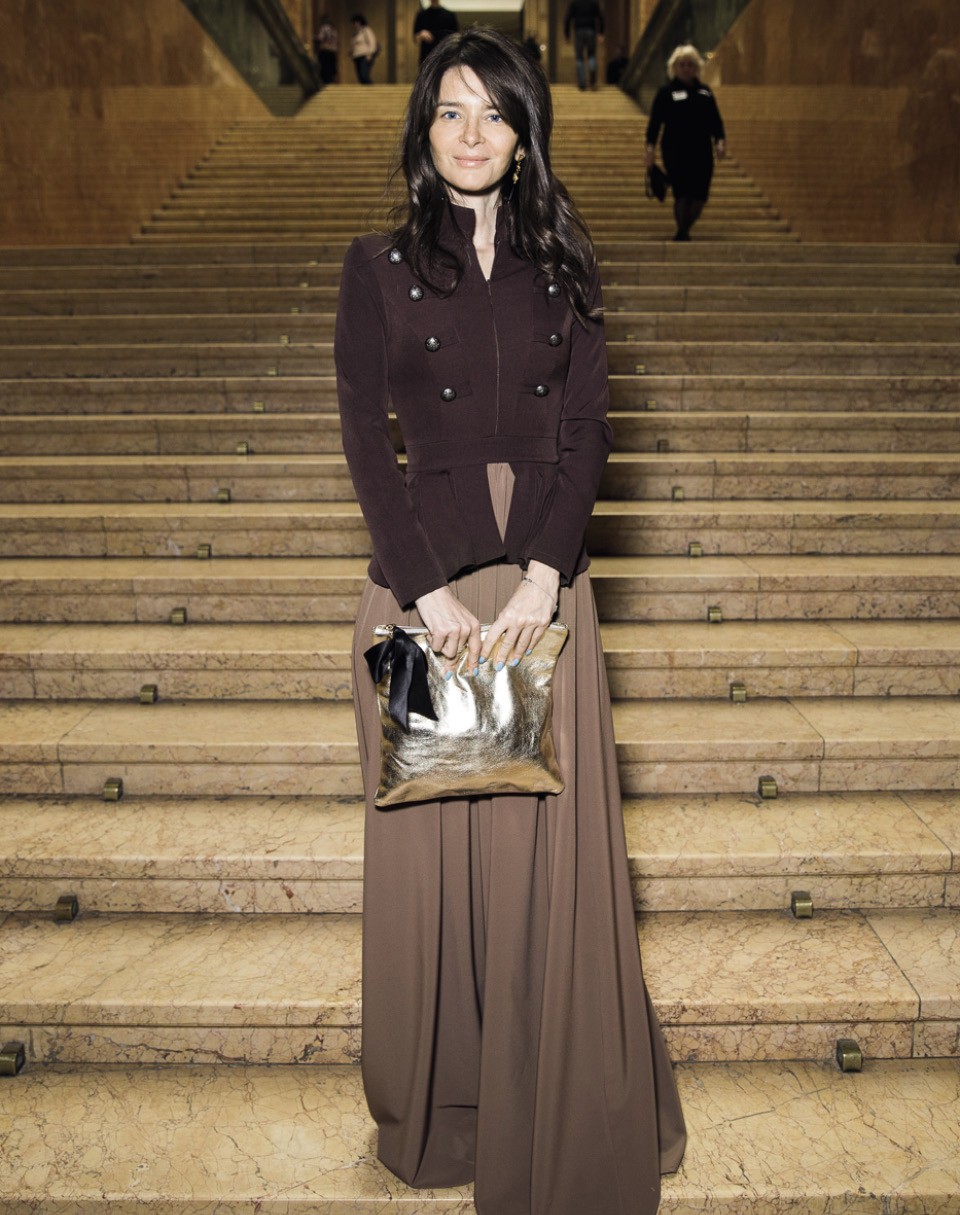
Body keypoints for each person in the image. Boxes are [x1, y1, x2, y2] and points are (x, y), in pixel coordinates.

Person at [335, 27, 686, 1215]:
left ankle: (557, 1113)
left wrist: (543, 581)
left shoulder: (567, 265)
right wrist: (426, 591)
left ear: (526, 132)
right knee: (436, 877)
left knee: (545, 870)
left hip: (540, 594)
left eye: (493, 111)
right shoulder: (377, 266)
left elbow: (587, 430)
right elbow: (363, 439)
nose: (471, 132)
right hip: (427, 594)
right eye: (450, 110)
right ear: (423, 131)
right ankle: (450, 1116)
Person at [645, 44, 726, 241]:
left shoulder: (705, 92)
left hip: (702, 150)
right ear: (674, 67)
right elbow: (655, 123)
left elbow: (715, 121)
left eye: (690, 64)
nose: (686, 69)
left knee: (700, 194)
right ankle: (682, 231)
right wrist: (649, 148)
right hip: (675, 150)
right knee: (681, 190)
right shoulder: (665, 93)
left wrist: (720, 141)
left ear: (696, 67)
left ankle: (685, 227)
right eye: (682, 65)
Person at [563, 0, 604, 90]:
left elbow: (568, 18)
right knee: (592, 55)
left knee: (579, 57)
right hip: (591, 30)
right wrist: (601, 33)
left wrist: (567, 35)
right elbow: (600, 17)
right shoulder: (593, 2)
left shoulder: (575, 3)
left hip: (579, 31)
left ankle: (582, 83)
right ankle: (592, 82)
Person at [413, 0, 459, 66]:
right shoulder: (421, 15)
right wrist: (421, 34)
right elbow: (415, 38)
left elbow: (456, 36)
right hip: (426, 57)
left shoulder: (450, 15)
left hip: (445, 56)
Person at [349, 14, 377, 85]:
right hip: (356, 56)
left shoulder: (366, 30)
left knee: (364, 76)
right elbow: (354, 44)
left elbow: (372, 42)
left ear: (359, 22)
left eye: (355, 22)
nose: (354, 24)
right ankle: (366, 91)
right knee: (361, 78)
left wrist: (369, 54)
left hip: (364, 56)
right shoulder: (356, 33)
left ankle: (373, 90)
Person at [314, 13, 339, 85]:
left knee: (324, 68)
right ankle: (330, 82)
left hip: (325, 50)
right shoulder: (334, 30)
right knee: (331, 69)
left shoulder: (324, 28)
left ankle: (325, 82)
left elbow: (320, 38)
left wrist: (314, 38)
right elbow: (336, 41)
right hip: (332, 51)